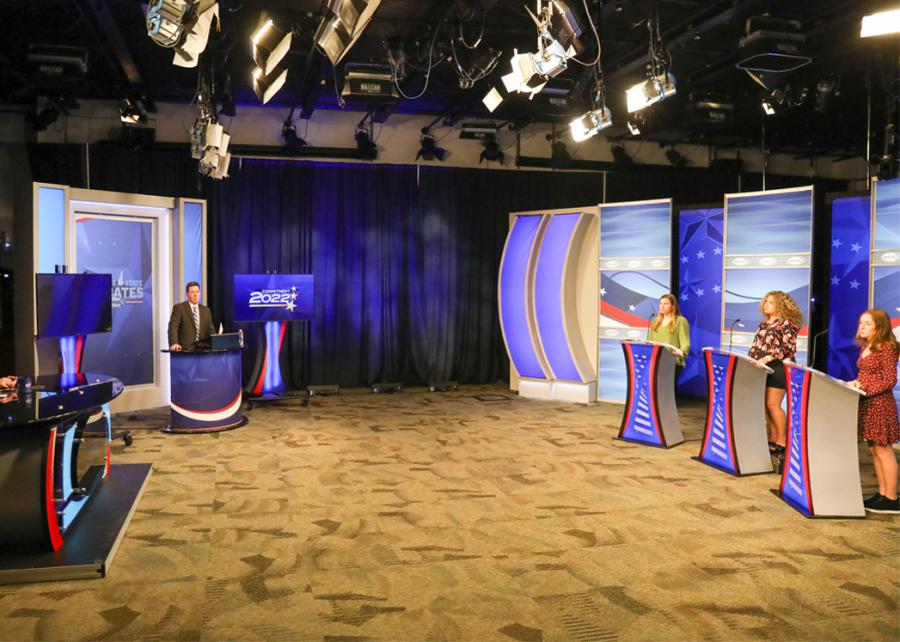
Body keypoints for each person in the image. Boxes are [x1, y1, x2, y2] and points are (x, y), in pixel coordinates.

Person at [849, 309, 899, 514]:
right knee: (873, 449)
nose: (862, 326)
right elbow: (866, 374)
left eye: (867, 323)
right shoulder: (866, 346)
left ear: (880, 327)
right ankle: (882, 493)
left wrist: (865, 388)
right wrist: (856, 383)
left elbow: (889, 379)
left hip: (880, 405)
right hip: (866, 404)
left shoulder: (886, 347)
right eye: (861, 322)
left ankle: (892, 497)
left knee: (883, 449)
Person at [747, 290, 802, 457]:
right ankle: (772, 438)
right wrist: (751, 358)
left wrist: (768, 358)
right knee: (764, 406)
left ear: (781, 305)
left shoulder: (788, 324)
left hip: (778, 368)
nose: (766, 305)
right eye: (766, 302)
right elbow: (756, 345)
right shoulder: (764, 324)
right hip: (760, 368)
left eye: (771, 302)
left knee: (773, 404)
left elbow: (787, 348)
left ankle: (782, 440)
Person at [648, 294, 690, 380]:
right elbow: (650, 342)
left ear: (673, 306)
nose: (662, 306)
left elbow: (685, 343)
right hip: (657, 361)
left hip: (672, 362)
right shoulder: (655, 322)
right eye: (660, 303)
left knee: (668, 389)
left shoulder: (681, 321)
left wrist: (681, 352)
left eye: (666, 304)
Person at [168, 281, 215, 351]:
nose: (195, 295)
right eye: (192, 292)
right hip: (185, 350)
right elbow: (173, 328)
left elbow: (211, 331)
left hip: (203, 351)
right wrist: (174, 343)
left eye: (197, 292)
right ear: (187, 294)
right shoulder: (179, 308)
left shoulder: (206, 310)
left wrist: (216, 343)